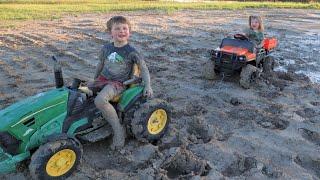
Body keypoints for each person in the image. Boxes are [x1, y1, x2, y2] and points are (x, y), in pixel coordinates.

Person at [92, 16, 153, 150]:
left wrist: (148, 85)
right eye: (117, 28)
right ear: (110, 32)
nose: (122, 31)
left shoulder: (131, 52)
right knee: (79, 90)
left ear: (129, 32)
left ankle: (119, 131)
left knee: (100, 101)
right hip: (103, 79)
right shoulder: (106, 48)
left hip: (118, 83)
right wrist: (94, 80)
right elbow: (100, 64)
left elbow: (143, 68)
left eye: (125, 28)